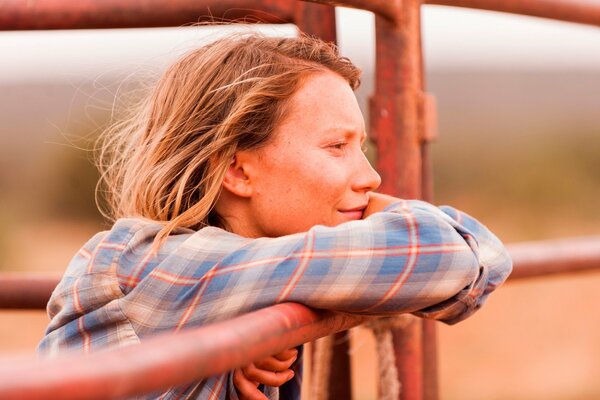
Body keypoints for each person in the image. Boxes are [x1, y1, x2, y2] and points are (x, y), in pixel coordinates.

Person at [38, 32, 512, 399]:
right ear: (238, 170)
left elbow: (474, 271)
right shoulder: (145, 267)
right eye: (336, 147)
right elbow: (461, 259)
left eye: (360, 147)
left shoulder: (240, 281)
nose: (371, 178)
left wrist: (248, 334)